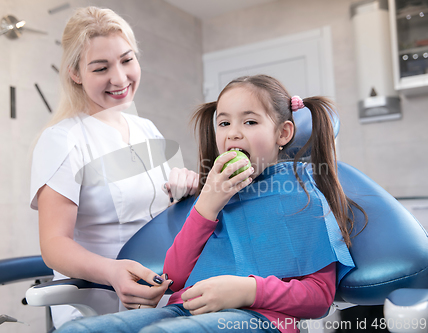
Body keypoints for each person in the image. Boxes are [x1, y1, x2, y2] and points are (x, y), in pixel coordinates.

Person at [54, 74, 366, 333]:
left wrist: (247, 291)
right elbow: (174, 276)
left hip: (263, 319)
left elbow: (319, 297)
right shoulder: (213, 195)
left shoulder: (304, 198)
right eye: (224, 123)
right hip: (184, 311)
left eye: (250, 122)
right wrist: (206, 205)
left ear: (283, 133)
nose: (234, 134)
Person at [29, 6, 198, 329]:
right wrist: (111, 271)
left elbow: (159, 214)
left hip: (164, 293)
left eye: (127, 60)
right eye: (100, 67)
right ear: (75, 73)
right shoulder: (62, 140)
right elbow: (54, 244)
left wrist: (184, 188)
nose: (119, 78)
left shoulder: (146, 129)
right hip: (97, 302)